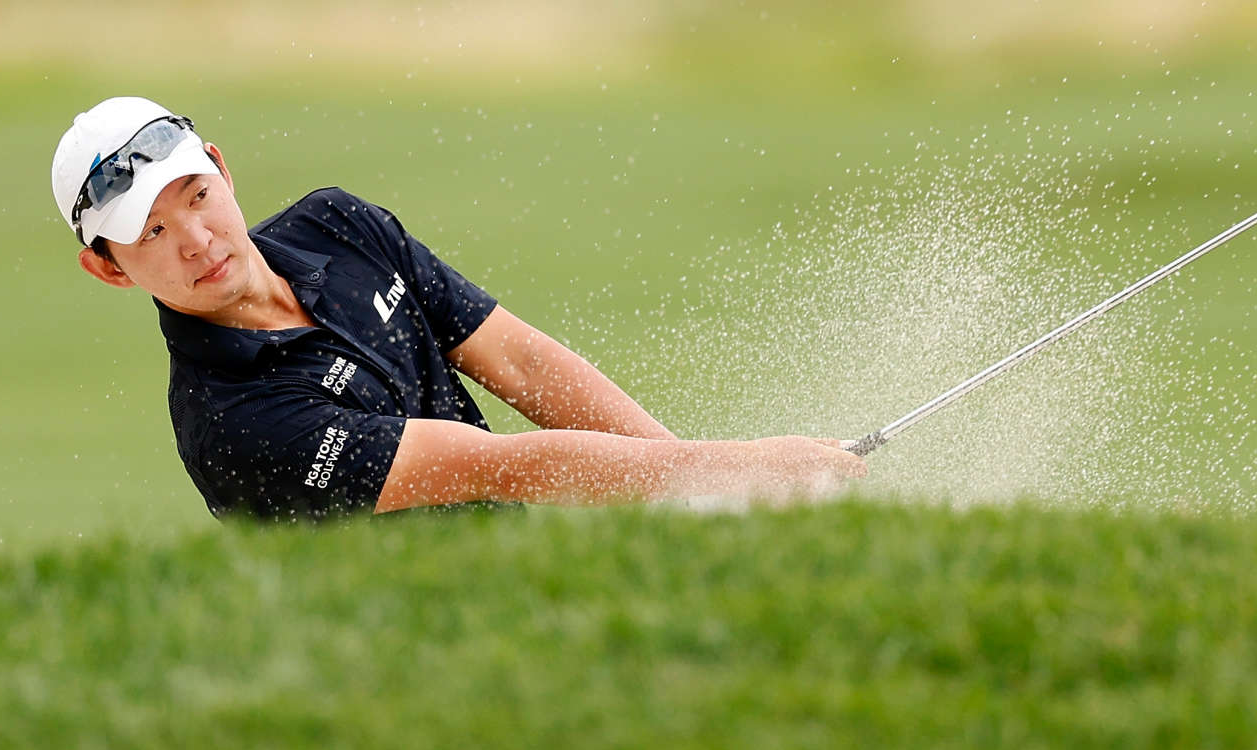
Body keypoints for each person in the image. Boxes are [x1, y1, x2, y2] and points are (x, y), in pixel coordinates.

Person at [51, 96, 864, 518]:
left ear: (221, 170)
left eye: (194, 196)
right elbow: (499, 466)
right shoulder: (231, 421)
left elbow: (520, 361)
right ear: (109, 269)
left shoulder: (338, 225)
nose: (194, 238)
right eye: (151, 231)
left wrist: (700, 484)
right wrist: (738, 470)